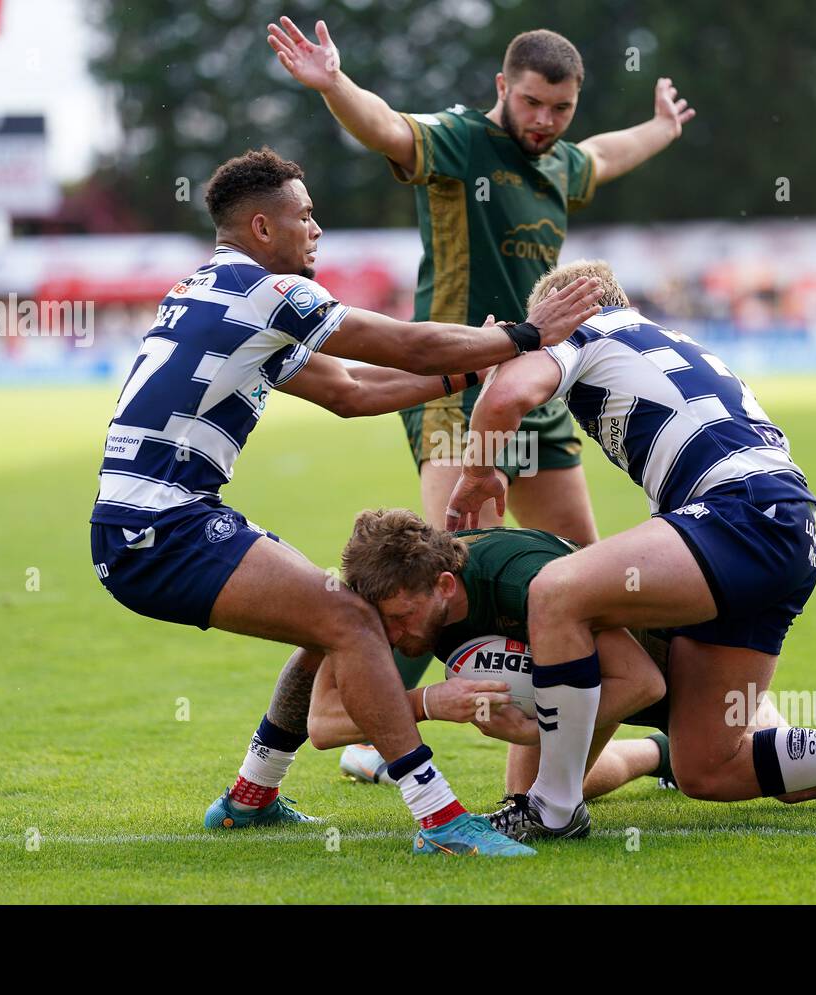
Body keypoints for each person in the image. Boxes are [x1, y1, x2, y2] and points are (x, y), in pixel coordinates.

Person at [88, 145, 602, 857]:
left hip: (155, 518)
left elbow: (351, 392)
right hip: (161, 525)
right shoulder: (270, 292)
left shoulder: (211, 288)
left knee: (324, 611)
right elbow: (400, 343)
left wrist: (469, 368)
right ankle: (441, 819)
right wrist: (522, 337)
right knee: (353, 618)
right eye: (305, 216)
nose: (317, 229)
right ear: (263, 228)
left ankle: (251, 796)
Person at [267, 18, 696, 778]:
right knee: (432, 581)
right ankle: (381, 734)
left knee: (586, 579)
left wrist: (661, 129)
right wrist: (335, 84)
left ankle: (610, 750)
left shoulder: (561, 162)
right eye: (531, 103)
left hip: (543, 394)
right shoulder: (461, 144)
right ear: (503, 87)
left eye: (560, 109)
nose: (544, 122)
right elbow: (391, 129)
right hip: (454, 392)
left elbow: (604, 154)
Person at [445, 260, 816, 840]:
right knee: (708, 764)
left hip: (738, 513)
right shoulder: (660, 340)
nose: (532, 342)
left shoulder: (586, 330)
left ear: (571, 309)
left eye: (536, 331)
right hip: (784, 534)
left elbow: (505, 401)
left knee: (554, 591)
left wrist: (480, 473)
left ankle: (550, 807)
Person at [323, 512, 816, 808]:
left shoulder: (511, 580)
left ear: (443, 587)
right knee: (535, 797)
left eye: (399, 621)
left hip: (689, 663)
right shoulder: (397, 598)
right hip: (616, 679)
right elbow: (327, 723)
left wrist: (540, 728)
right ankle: (658, 755)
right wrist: (425, 704)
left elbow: (640, 677)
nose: (393, 637)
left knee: (775, 780)